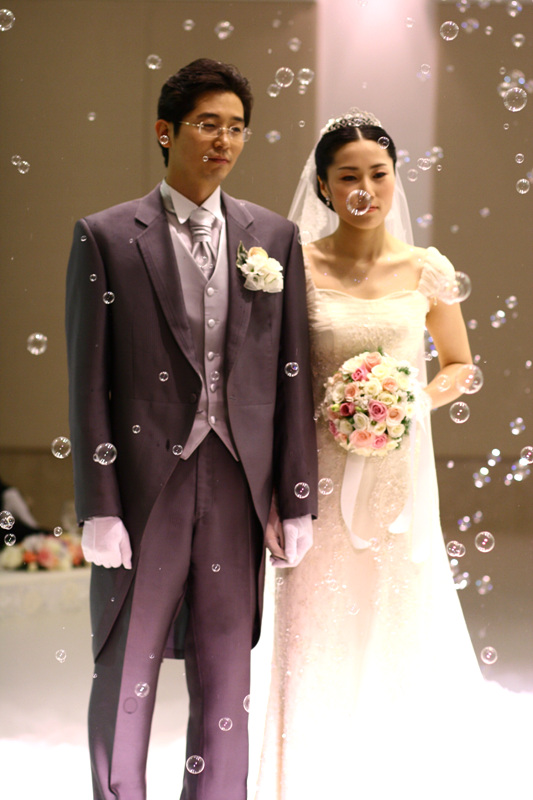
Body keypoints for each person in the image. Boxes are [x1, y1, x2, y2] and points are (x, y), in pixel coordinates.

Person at [254, 110, 530, 798]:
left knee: (397, 630)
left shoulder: (426, 269)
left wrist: (407, 399)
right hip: (316, 483)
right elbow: (273, 380)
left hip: (396, 484)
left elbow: (459, 365)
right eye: (347, 176)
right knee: (318, 635)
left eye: (378, 174)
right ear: (323, 186)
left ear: (394, 179)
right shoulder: (297, 266)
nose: (365, 189)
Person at [65, 58, 317, 800]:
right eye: (208, 124)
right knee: (126, 665)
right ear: (165, 131)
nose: (224, 140)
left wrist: (296, 497)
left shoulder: (273, 237)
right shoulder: (106, 236)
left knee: (227, 672)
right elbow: (87, 381)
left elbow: (290, 375)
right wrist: (99, 505)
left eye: (236, 127)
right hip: (146, 485)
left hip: (239, 481)